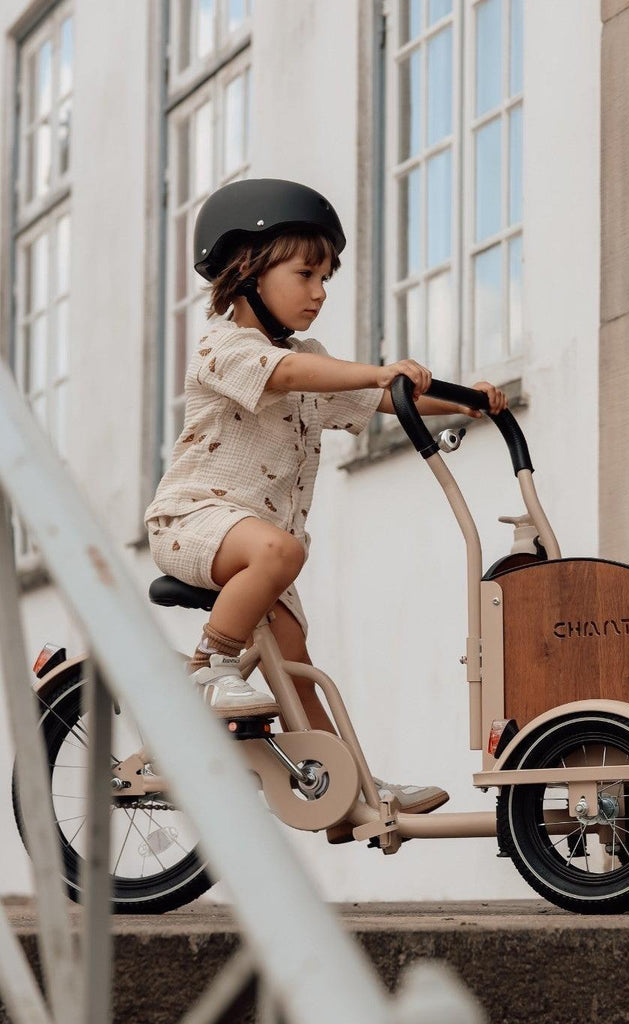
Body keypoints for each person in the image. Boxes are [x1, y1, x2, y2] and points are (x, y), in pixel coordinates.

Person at [144, 178, 507, 827]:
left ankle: (347, 782)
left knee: (299, 672)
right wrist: (374, 369)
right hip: (193, 523)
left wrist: (467, 399)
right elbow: (284, 377)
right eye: (306, 273)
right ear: (247, 271)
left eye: (327, 278)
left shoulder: (309, 358)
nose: (319, 292)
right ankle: (208, 669)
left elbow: (376, 401)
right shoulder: (222, 346)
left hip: (263, 551)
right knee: (284, 549)